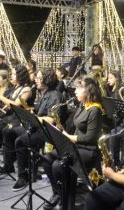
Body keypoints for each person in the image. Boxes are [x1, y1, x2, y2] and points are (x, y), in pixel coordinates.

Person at [43, 76, 103, 210]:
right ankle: (59, 193)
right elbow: (75, 128)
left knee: (59, 166)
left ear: (88, 91)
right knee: (47, 159)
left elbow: (90, 138)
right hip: (76, 145)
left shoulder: (95, 110)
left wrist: (69, 137)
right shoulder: (83, 105)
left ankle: (67, 202)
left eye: (78, 89)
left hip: (88, 150)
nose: (74, 91)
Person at [0, 68, 63, 192]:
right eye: (37, 78)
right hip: (39, 127)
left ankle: (24, 176)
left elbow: (51, 120)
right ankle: (10, 164)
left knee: (20, 141)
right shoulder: (44, 93)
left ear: (47, 80)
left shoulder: (55, 95)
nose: (36, 80)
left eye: (39, 78)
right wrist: (30, 111)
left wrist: (34, 117)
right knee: (9, 131)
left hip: (48, 133)